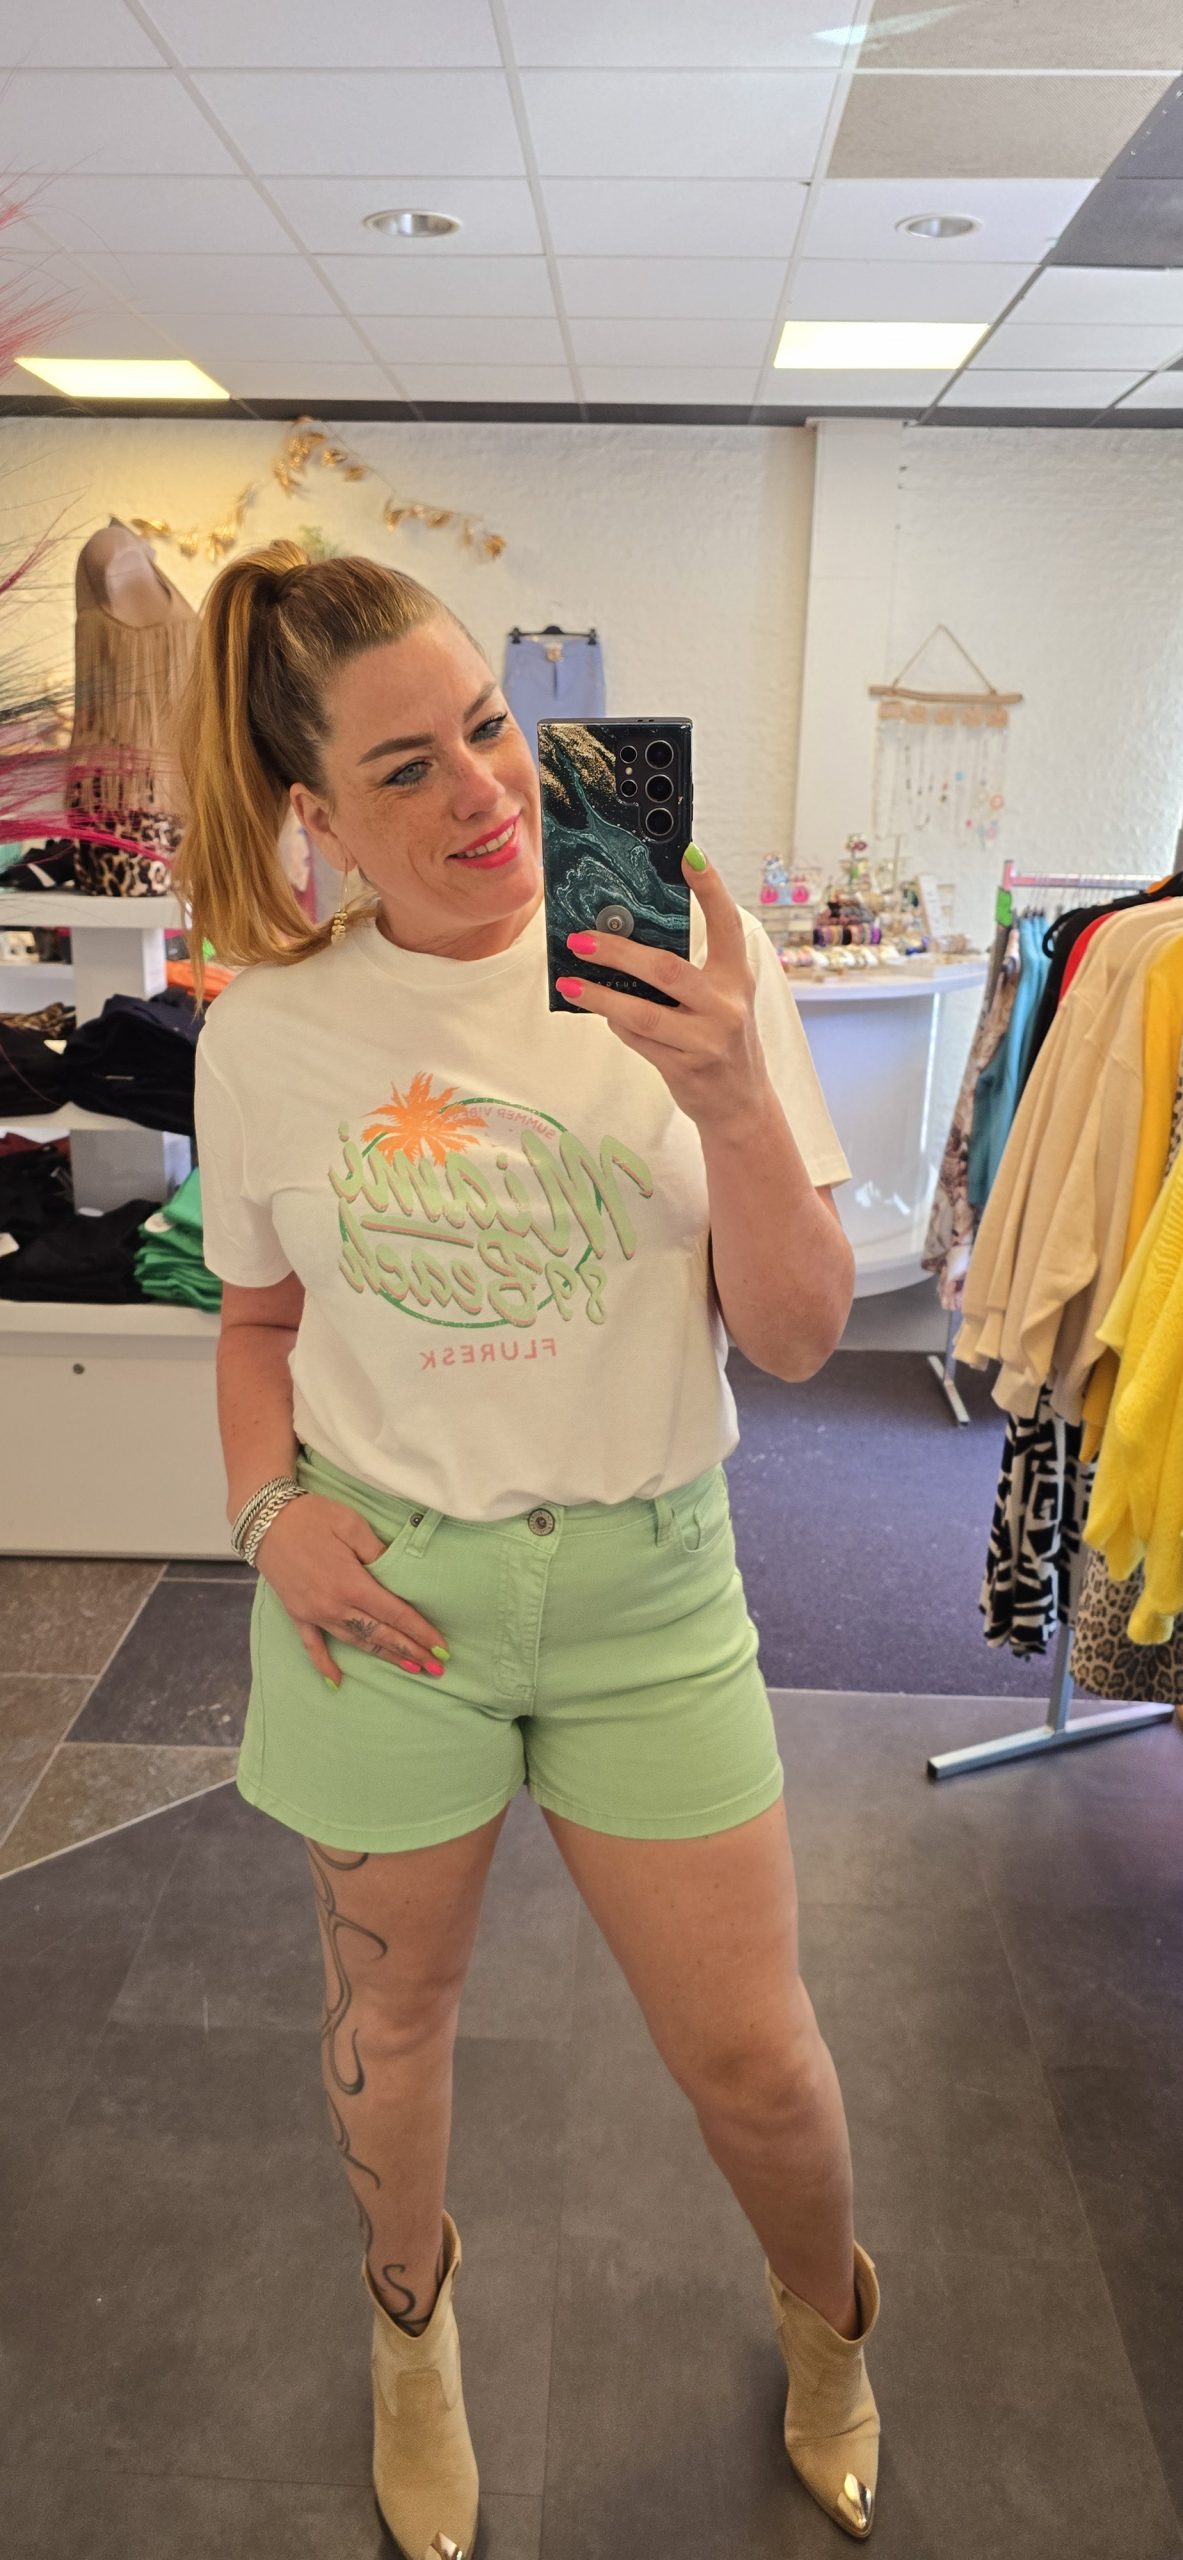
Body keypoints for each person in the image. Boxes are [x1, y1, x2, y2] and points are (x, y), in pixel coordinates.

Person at [174, 541, 881, 2560]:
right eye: (404, 768)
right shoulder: (267, 1036)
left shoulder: (694, 965)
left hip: (651, 1586)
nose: (485, 790)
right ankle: (410, 2336)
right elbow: (254, 1328)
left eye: (488, 723)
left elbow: (799, 1335)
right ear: (314, 817)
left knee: (754, 2059)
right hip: (388, 1605)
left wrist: (731, 1090)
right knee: (390, 2039)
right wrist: (267, 1517)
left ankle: (828, 2322)